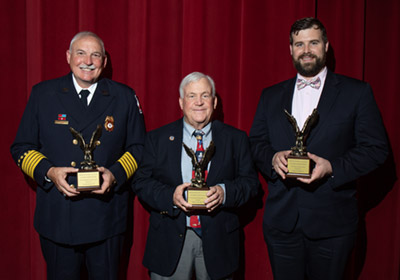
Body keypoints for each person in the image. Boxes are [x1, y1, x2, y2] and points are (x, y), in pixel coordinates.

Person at [249, 17, 388, 280]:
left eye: (313, 42)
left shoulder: (356, 93)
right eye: (299, 44)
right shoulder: (270, 96)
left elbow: (376, 149)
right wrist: (272, 158)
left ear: (326, 46)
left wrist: (332, 167)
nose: (306, 50)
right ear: (291, 50)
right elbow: (255, 144)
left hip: (333, 225)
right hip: (282, 224)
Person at [10, 31, 145, 280]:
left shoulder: (124, 97)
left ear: (104, 62)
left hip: (106, 218)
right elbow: (21, 147)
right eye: (80, 53)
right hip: (59, 217)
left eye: (96, 55)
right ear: (68, 57)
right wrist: (49, 172)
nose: (88, 61)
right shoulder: (43, 94)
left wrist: (114, 175)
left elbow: (138, 148)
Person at [133, 72, 259, 280]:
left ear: (215, 102)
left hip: (219, 241)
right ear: (181, 102)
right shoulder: (158, 138)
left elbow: (251, 184)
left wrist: (224, 193)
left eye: (205, 95)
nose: (198, 102)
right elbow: (141, 182)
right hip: (170, 239)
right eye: (192, 96)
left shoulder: (236, 139)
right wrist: (170, 196)